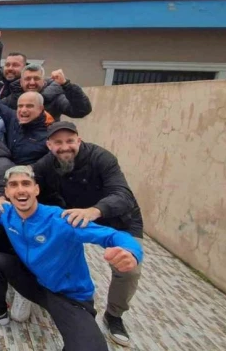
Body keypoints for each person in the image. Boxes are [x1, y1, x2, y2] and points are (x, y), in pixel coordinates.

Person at [0, 165, 143, 351]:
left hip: (68, 296)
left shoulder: (61, 220)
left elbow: (112, 235)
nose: (20, 189)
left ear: (36, 189)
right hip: (35, 283)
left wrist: (131, 251)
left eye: (26, 183)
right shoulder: (7, 213)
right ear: (7, 193)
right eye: (14, 185)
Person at [30, 121, 144, 346]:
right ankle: (55, 293)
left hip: (118, 218)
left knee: (129, 270)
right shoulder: (45, 164)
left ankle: (114, 315)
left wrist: (95, 211)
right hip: (75, 216)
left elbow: (123, 194)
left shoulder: (102, 158)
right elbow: (26, 181)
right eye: (58, 142)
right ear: (49, 145)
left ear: (79, 140)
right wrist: (4, 196)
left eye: (70, 141)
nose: (65, 147)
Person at [2, 65, 93, 121]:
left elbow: (81, 111)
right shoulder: (12, 99)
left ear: (44, 82)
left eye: (36, 79)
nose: (32, 82)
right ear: (21, 82)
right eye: (28, 79)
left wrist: (66, 85)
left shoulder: (56, 99)